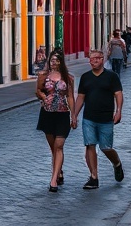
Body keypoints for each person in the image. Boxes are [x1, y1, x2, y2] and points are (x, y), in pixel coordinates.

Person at [73, 49, 124, 190]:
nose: (93, 61)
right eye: (91, 59)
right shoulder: (85, 77)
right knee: (90, 145)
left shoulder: (111, 76)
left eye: (96, 58)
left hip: (106, 118)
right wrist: (74, 115)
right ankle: (94, 177)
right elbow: (81, 97)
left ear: (102, 59)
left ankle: (117, 163)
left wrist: (118, 111)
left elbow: (118, 94)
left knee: (106, 148)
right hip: (89, 118)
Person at [35, 50, 75, 192]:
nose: (54, 62)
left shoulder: (68, 77)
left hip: (63, 114)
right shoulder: (43, 76)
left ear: (61, 62)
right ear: (49, 61)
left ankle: (53, 180)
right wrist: (43, 97)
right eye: (52, 60)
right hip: (47, 113)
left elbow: (70, 96)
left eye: (57, 60)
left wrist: (74, 115)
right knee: (54, 148)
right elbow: (38, 91)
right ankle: (59, 170)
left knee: (59, 146)